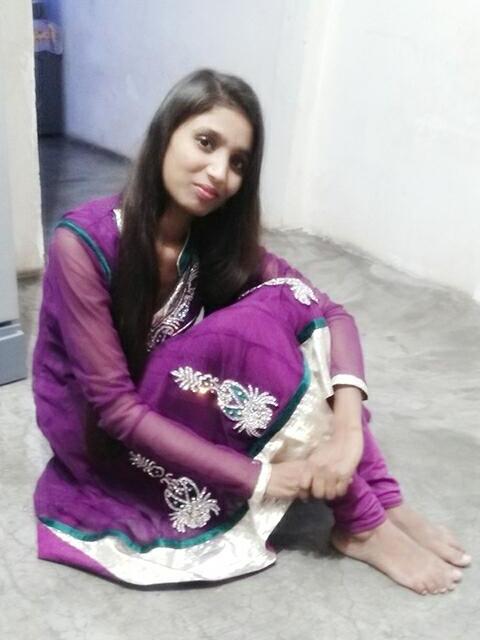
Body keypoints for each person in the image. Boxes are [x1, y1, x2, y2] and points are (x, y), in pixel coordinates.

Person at [33, 68, 470, 594]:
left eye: (238, 162)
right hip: (104, 437)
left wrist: (348, 431)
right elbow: (115, 408)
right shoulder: (81, 244)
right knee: (245, 336)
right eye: (205, 142)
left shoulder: (208, 239)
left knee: (284, 302)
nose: (219, 172)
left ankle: (382, 499)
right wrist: (261, 478)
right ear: (165, 134)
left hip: (160, 400)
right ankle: (362, 523)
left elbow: (328, 312)